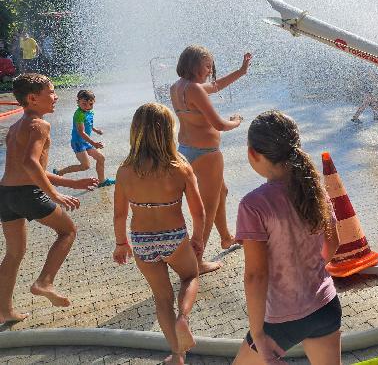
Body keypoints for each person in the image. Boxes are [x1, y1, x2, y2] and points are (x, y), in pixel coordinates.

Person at [233, 110, 341, 364]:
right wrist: (310, 270)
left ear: (252, 154)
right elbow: (333, 243)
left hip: (279, 321)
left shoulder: (253, 205)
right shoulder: (314, 188)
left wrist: (257, 333)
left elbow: (255, 275)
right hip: (324, 305)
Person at [0, 73, 97, 323]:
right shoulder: (40, 125)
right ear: (33, 98)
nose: (56, 97)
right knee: (68, 231)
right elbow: (31, 164)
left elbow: (32, 170)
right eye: (51, 92)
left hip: (6, 194)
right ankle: (45, 282)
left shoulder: (15, 128)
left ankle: (4, 310)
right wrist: (55, 194)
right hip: (26, 194)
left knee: (14, 253)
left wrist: (73, 182)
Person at [112, 103, 204, 365]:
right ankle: (183, 319)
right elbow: (199, 211)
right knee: (190, 275)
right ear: (168, 132)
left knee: (162, 298)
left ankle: (177, 356)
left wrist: (121, 244)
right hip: (174, 236)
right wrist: (197, 238)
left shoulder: (125, 170)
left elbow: (119, 215)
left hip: (142, 241)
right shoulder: (179, 167)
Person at [170, 45, 249, 274]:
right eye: (206, 65)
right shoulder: (194, 89)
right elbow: (219, 124)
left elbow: (214, 86)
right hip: (207, 155)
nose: (210, 69)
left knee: (221, 192)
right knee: (207, 207)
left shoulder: (179, 87)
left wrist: (241, 71)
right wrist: (236, 120)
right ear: (194, 65)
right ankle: (197, 261)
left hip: (186, 149)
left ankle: (225, 238)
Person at [54, 90, 115, 187]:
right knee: (85, 166)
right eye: (84, 103)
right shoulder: (79, 114)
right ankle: (60, 172)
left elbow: (88, 123)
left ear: (94, 102)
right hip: (78, 142)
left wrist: (95, 130)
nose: (87, 106)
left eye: (90, 104)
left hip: (85, 142)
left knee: (101, 158)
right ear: (78, 102)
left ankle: (102, 181)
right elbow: (81, 132)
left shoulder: (90, 111)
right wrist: (94, 143)